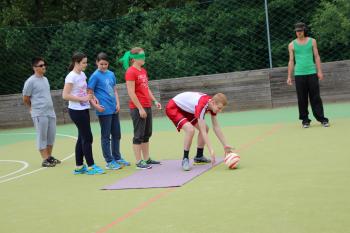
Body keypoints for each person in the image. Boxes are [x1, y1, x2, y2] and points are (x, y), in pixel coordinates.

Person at [165, 92, 234, 171]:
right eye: (219, 108)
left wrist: (225, 145)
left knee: (206, 128)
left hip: (186, 109)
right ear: (213, 103)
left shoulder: (211, 105)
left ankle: (199, 156)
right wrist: (211, 149)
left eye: (221, 108)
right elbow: (203, 131)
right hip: (174, 107)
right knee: (190, 130)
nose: (220, 111)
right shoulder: (202, 106)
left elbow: (216, 127)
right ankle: (185, 159)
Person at [62, 52, 105, 175]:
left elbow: (86, 90)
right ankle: (91, 167)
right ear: (76, 63)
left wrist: (93, 98)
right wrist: (83, 99)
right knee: (87, 137)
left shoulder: (82, 74)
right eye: (84, 63)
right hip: (76, 111)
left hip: (84, 109)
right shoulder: (71, 77)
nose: (86, 65)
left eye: (86, 62)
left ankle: (79, 166)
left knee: (82, 137)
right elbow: (65, 95)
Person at [119, 47, 161, 169]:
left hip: (147, 105)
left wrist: (154, 100)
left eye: (144, 55)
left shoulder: (143, 71)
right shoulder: (130, 72)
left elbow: (146, 88)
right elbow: (131, 92)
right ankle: (138, 162)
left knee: (147, 133)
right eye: (141, 56)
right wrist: (140, 108)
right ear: (134, 59)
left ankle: (147, 159)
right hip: (138, 108)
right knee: (139, 135)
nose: (143, 58)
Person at [87, 52, 130, 170]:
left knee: (117, 134)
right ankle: (109, 161)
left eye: (105, 64)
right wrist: (96, 107)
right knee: (106, 136)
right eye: (101, 64)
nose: (103, 66)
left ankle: (117, 157)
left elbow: (115, 90)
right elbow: (89, 93)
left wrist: (118, 103)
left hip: (113, 108)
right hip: (104, 110)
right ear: (96, 63)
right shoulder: (94, 76)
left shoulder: (111, 74)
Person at [287, 22, 329, 128]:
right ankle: (305, 120)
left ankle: (322, 119)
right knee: (302, 98)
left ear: (304, 30)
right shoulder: (291, 45)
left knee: (315, 97)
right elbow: (291, 61)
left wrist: (319, 71)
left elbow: (317, 56)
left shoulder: (312, 41)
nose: (298, 33)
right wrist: (289, 76)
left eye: (300, 31)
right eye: (297, 31)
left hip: (311, 73)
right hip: (299, 74)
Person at [22, 57, 61, 167]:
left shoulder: (45, 79)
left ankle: (49, 157)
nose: (44, 67)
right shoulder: (30, 81)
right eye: (41, 65)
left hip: (50, 112)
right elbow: (25, 98)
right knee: (42, 136)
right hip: (39, 113)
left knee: (51, 135)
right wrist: (32, 108)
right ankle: (45, 159)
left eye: (44, 65)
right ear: (34, 68)